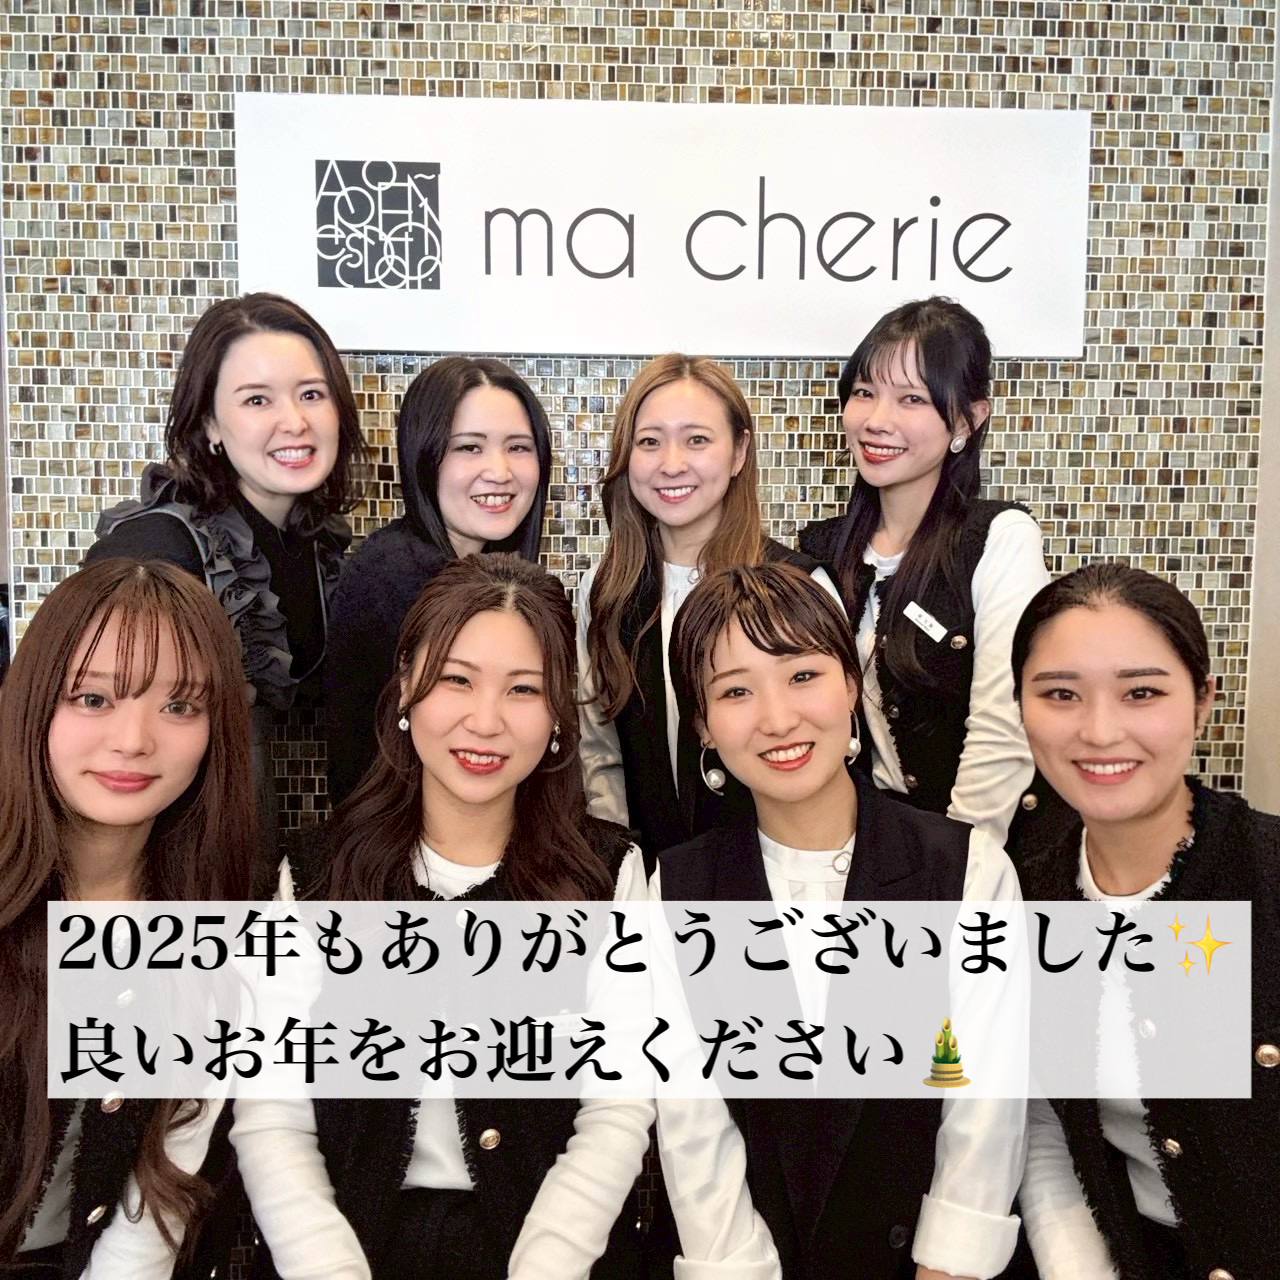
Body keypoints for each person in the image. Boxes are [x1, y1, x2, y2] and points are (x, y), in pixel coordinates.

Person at [233, 554, 651, 1280]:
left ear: (558, 713)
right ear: (406, 687)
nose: (484, 722)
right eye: (457, 680)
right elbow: (272, 1112)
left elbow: (618, 1109)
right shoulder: (315, 875)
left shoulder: (609, 876)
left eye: (523, 689)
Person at [655, 563, 1026, 1280]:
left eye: (803, 675)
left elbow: (986, 1107)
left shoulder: (965, 872)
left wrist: (945, 1266)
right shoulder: (670, 892)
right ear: (701, 724)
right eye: (735, 691)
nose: (777, 719)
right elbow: (692, 1131)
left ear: (852, 685)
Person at [1011, 563, 1279, 1280]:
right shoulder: (1027, 901)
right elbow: (1047, 1128)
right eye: (1060, 694)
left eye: (1142, 693)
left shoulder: (1263, 879)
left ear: (1202, 702)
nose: (1100, 731)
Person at [0, 558, 257, 1277]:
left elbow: (160, 1196)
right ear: (35, 703)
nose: (134, 739)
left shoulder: (217, 924)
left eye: (180, 706)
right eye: (93, 698)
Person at [87, 292, 368, 856]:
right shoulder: (158, 548)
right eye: (257, 399)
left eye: (311, 394)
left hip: (240, 843)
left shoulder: (317, 550)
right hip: (149, 855)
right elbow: (87, 725)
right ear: (211, 423)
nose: (295, 422)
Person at [799, 298, 1048, 847]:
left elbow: (1004, 727)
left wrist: (960, 863)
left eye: (911, 398)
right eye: (865, 392)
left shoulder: (1000, 538)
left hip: (980, 848)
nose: (877, 420)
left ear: (967, 420)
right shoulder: (821, 551)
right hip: (869, 844)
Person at [579, 353, 838, 866]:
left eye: (697, 439)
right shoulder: (605, 590)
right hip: (650, 880)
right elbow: (599, 753)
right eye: (649, 442)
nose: (671, 463)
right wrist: (619, 869)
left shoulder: (799, 585)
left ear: (739, 451)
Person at [324, 356, 551, 805]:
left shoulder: (475, 574)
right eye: (469, 447)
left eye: (518, 447)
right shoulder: (397, 576)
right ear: (423, 457)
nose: (500, 471)